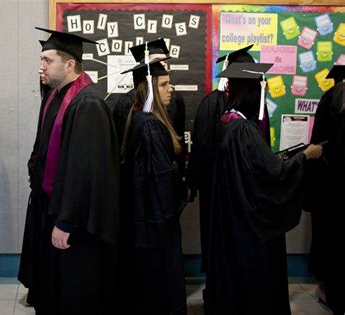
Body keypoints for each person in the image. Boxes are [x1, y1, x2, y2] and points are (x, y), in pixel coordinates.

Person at [205, 62, 323, 315]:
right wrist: (304, 157)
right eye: (263, 89)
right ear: (253, 91)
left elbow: (257, 167)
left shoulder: (228, 123)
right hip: (250, 228)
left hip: (233, 220)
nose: (265, 94)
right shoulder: (244, 130)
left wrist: (278, 159)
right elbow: (274, 174)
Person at [18, 27, 119, 315]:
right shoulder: (55, 97)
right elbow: (43, 142)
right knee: (51, 286)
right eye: (41, 59)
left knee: (73, 290)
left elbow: (85, 171)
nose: (41, 66)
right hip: (50, 203)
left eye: (47, 60)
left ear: (70, 64)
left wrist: (66, 221)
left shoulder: (87, 105)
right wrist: (34, 169)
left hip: (76, 219)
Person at [188, 44, 266, 278]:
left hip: (229, 189)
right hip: (225, 188)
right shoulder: (220, 103)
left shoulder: (240, 103)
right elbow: (201, 146)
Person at [120, 59, 187, 314]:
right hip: (156, 222)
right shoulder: (149, 126)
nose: (170, 89)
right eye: (164, 84)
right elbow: (161, 181)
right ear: (149, 89)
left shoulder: (139, 117)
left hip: (145, 217)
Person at [305, 65, 345, 315]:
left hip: (331, 187)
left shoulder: (329, 99)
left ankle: (331, 292)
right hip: (335, 185)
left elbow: (319, 144)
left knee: (331, 242)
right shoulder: (334, 100)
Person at [113, 39, 186, 149]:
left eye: (165, 61)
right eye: (157, 61)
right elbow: (121, 142)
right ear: (144, 65)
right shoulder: (127, 102)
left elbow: (179, 135)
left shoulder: (175, 99)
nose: (163, 65)